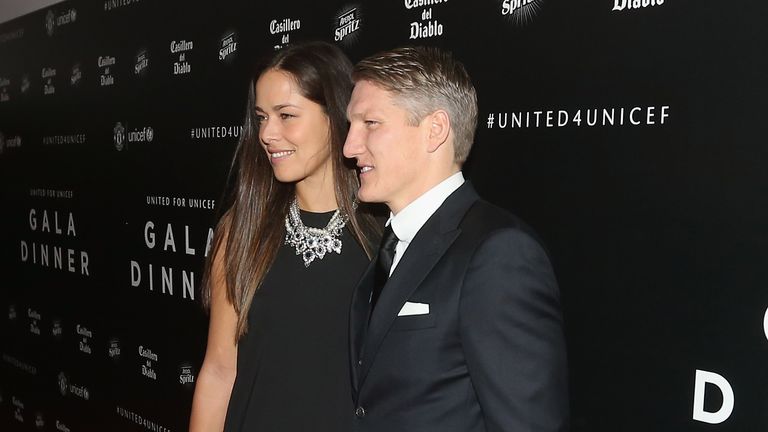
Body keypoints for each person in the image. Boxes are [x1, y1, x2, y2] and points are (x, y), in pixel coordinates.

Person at [343, 46, 569, 431]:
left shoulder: (498, 254)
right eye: (351, 125)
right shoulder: (391, 241)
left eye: (371, 123)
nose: (349, 147)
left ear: (435, 130)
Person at [189, 41, 380, 432]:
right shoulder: (243, 229)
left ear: (336, 115)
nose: (268, 134)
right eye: (261, 117)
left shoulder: (386, 233)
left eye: (286, 115)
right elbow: (220, 370)